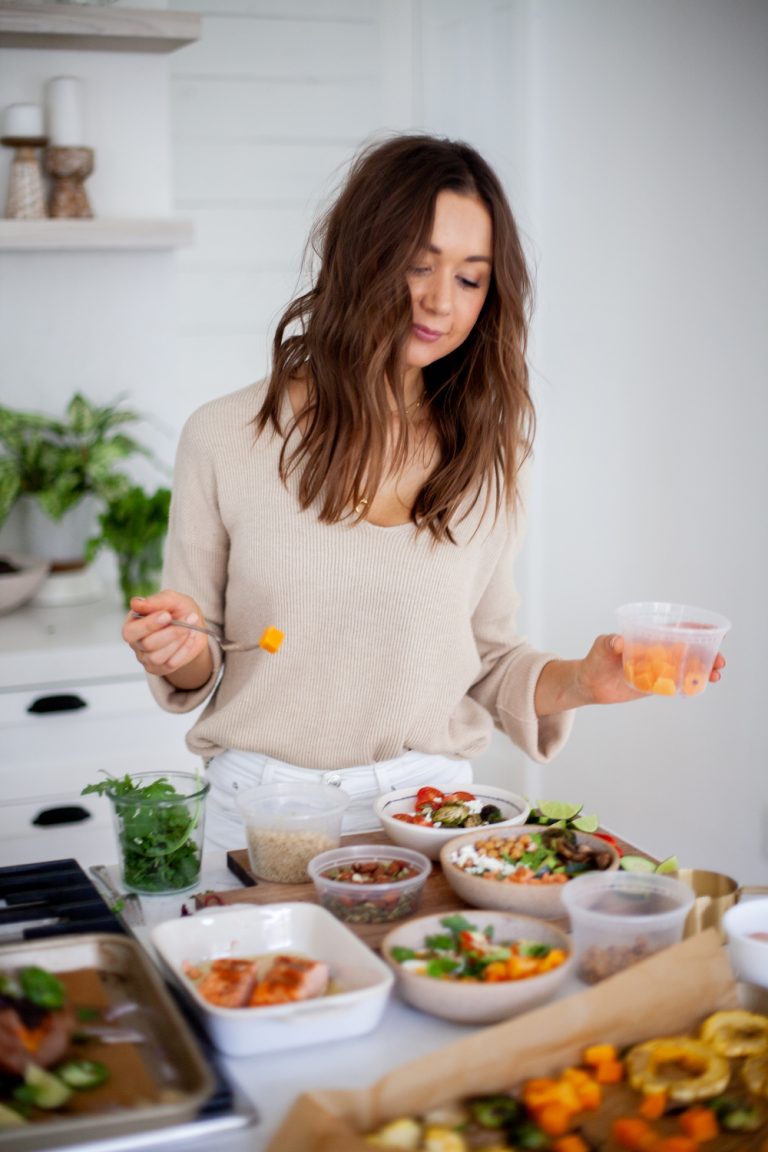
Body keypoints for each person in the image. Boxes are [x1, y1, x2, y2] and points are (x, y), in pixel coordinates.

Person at [123, 133, 724, 849]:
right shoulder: (224, 436)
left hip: (428, 812)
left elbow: (488, 662)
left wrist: (588, 682)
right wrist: (173, 648)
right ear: (359, 256)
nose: (441, 301)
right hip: (263, 809)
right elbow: (203, 649)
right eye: (418, 265)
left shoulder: (490, 459)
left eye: (471, 279)